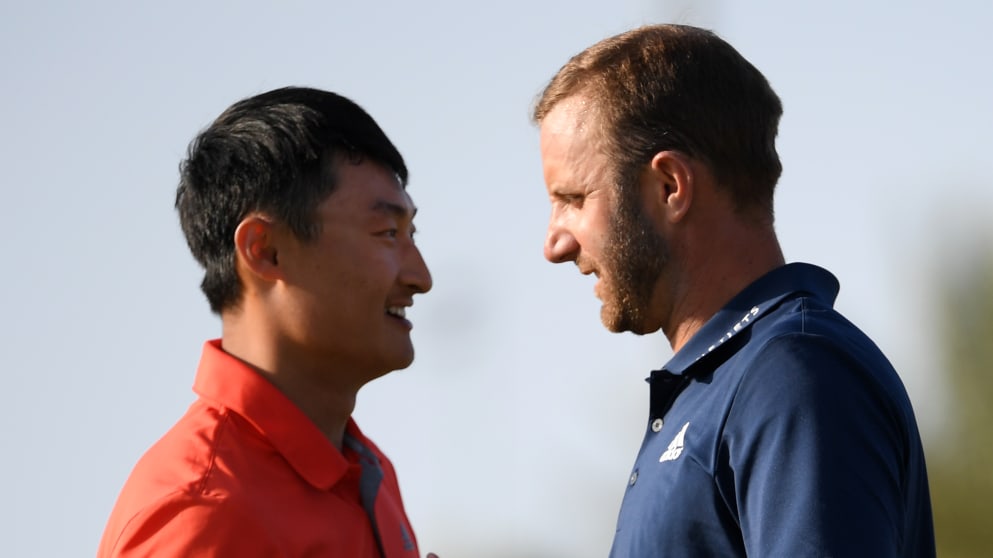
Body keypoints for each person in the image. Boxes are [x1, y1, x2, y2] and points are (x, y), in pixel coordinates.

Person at [532, 24, 936, 557]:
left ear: (670, 187)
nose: (554, 243)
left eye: (575, 198)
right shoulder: (733, 384)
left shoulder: (791, 376)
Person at [98, 87, 436, 557]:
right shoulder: (202, 511)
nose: (421, 277)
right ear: (265, 250)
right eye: (387, 234)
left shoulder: (368, 471)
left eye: (411, 234)